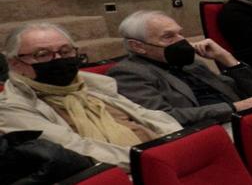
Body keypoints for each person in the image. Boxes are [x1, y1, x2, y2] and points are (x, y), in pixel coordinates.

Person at [1, 23, 178, 167]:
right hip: (124, 172)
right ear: (15, 63)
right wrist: (155, 159)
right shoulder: (12, 107)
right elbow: (77, 149)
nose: (58, 59)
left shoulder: (89, 84)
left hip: (161, 156)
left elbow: (148, 116)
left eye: (65, 51)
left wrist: (180, 143)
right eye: (43, 54)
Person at [110, 9, 252, 128]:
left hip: (245, 120)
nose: (181, 41)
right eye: (168, 37)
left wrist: (226, 59)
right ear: (138, 46)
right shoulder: (129, 73)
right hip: (207, 131)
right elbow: (163, 117)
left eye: (180, 34)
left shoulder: (191, 64)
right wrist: (233, 108)